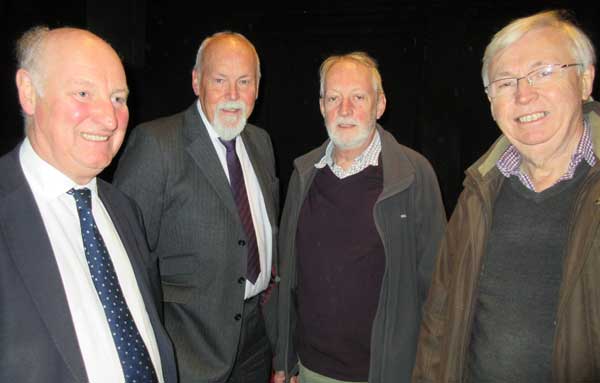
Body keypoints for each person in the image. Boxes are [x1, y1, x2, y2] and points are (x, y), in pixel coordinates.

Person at [412, 10, 600, 383]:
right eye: (505, 82)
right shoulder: (476, 193)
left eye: (543, 72)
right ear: (490, 101)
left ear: (584, 79)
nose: (523, 94)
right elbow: (440, 319)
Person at [0, 26, 177, 383]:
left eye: (118, 98)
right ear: (29, 93)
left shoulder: (124, 210)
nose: (110, 119)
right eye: (83, 93)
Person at [113, 31, 279, 383]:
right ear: (196, 81)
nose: (233, 95)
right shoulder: (156, 144)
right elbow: (124, 258)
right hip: (188, 351)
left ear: (257, 87)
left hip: (255, 339)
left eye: (244, 81)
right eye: (219, 80)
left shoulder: (261, 142)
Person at [273, 52, 446, 383]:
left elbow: (438, 288)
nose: (345, 110)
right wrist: (284, 360)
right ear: (322, 105)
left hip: (384, 372)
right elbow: (288, 278)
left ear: (380, 105)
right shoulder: (304, 174)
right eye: (334, 98)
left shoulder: (413, 174)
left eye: (358, 97)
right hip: (310, 371)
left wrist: (429, 370)